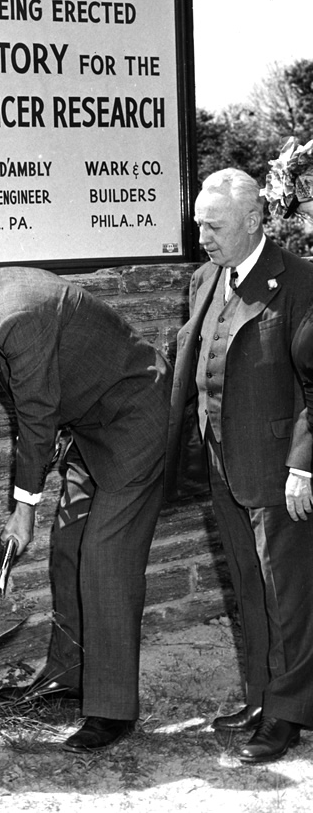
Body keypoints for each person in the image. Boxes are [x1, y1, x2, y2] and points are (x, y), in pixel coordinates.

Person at [0, 256, 171, 753]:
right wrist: (37, 480)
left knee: (105, 558)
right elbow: (41, 400)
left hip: (135, 418)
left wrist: (23, 506)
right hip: (89, 425)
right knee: (69, 547)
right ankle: (68, 676)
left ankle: (111, 710)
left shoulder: (17, 315)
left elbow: (35, 415)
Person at [166, 164, 313, 765]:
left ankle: (289, 713)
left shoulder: (300, 281)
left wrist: (304, 465)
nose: (204, 236)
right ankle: (260, 695)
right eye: (200, 225)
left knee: (288, 592)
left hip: (279, 466)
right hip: (221, 461)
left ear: (254, 221)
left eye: (216, 226)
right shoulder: (205, 277)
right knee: (248, 586)